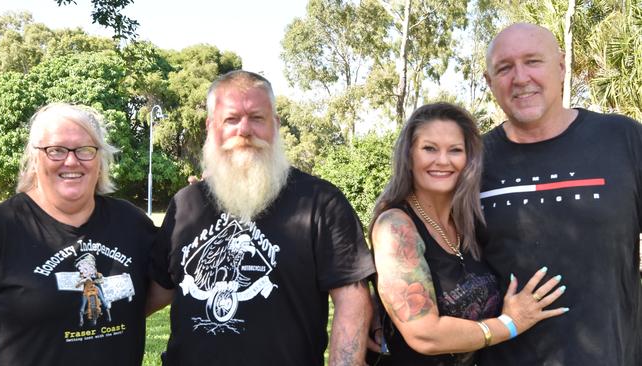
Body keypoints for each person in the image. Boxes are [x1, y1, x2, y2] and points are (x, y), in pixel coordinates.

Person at [147, 70, 376, 366]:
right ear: (210, 127)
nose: (244, 130)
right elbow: (157, 291)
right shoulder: (185, 204)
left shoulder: (321, 203)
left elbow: (352, 302)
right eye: (231, 119)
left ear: (275, 125)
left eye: (257, 118)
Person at [479, 23, 642, 365]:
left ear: (561, 66)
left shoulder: (623, 139)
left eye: (533, 61)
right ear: (488, 80)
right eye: (505, 68)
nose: (520, 77)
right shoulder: (470, 161)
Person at [369, 102, 567, 366]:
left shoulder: (467, 224)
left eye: (455, 150)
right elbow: (424, 335)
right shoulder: (396, 226)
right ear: (409, 156)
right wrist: (509, 324)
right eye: (429, 148)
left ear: (468, 160)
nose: (442, 160)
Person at [0, 103, 156, 366]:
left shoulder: (131, 222)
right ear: (35, 158)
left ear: (100, 160)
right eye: (55, 150)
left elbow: (161, 289)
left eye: (85, 150)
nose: (71, 160)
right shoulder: (1, 228)